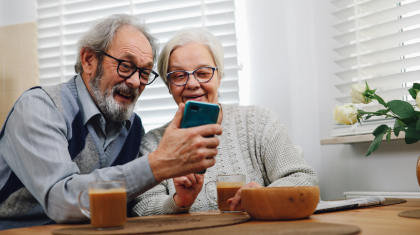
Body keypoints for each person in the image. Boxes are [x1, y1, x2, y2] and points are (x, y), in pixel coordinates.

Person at [0, 15, 222, 230]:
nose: (136, 81)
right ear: (89, 60)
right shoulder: (40, 107)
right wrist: (158, 164)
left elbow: (128, 206)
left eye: (144, 72)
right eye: (126, 65)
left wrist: (177, 199)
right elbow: (63, 200)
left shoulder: (134, 128)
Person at [132, 28, 319, 217]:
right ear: (169, 86)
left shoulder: (259, 121)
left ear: (219, 78)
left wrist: (264, 195)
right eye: (179, 76)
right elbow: (141, 208)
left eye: (203, 73)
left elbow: (303, 178)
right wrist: (178, 202)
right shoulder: (153, 143)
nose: (192, 84)